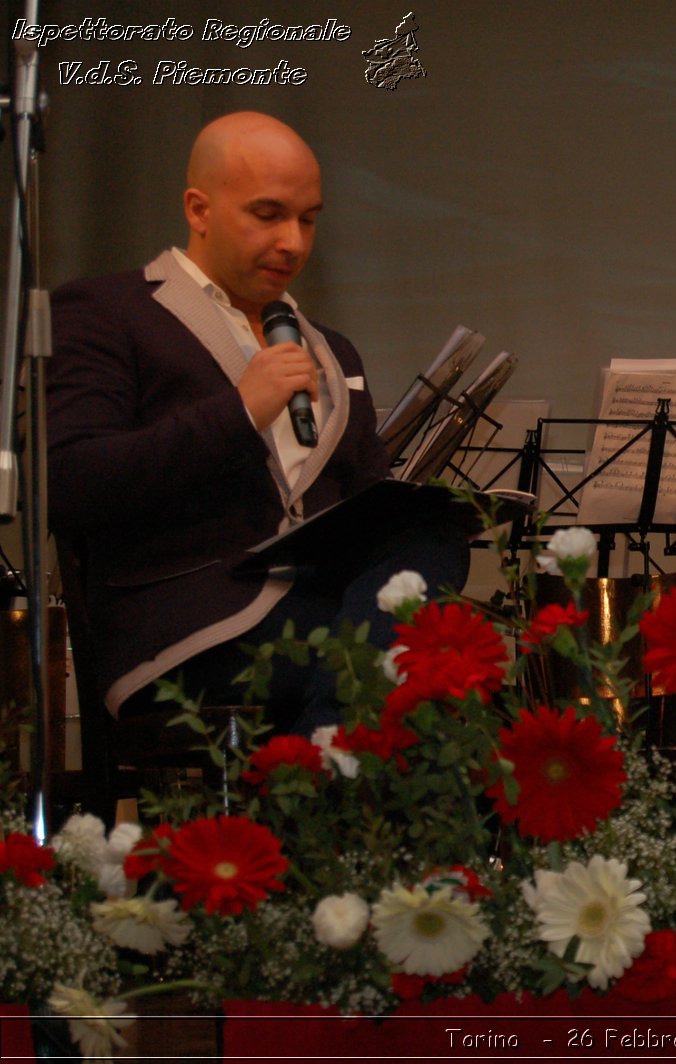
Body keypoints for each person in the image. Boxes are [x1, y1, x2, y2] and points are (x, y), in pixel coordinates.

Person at [47, 111, 466, 734]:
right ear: (199, 209)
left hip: (327, 613)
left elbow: (367, 504)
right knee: (426, 693)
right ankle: (344, 765)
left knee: (431, 540)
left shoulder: (333, 350)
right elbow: (72, 483)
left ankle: (333, 754)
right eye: (268, 215)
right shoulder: (106, 313)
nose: (293, 242)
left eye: (309, 219)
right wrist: (240, 412)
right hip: (191, 632)